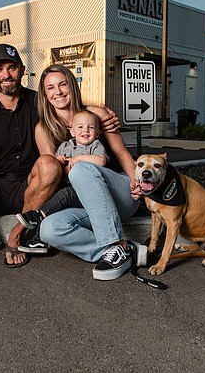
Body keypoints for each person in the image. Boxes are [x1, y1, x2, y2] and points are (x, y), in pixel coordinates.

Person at [0, 44, 121, 267]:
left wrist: (101, 115)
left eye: (12, 68)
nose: (6, 75)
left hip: (33, 187)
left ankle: (17, 236)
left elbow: (72, 108)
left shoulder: (42, 103)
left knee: (49, 163)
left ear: (22, 70)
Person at [34, 64, 147, 281]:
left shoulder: (97, 114)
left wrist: (136, 182)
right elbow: (53, 175)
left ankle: (116, 244)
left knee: (82, 168)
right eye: (50, 88)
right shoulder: (43, 129)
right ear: (45, 95)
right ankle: (124, 250)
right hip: (85, 202)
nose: (58, 92)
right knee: (49, 229)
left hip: (119, 192)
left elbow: (122, 154)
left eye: (63, 84)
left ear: (72, 86)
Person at [17, 109, 108, 253]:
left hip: (84, 191)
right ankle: (40, 240)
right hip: (64, 186)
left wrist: (78, 159)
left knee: (65, 194)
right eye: (80, 127)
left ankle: (38, 215)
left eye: (91, 127)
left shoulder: (95, 146)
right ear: (72, 132)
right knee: (53, 200)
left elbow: (101, 161)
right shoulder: (65, 146)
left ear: (97, 133)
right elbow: (55, 167)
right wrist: (58, 161)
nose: (85, 130)